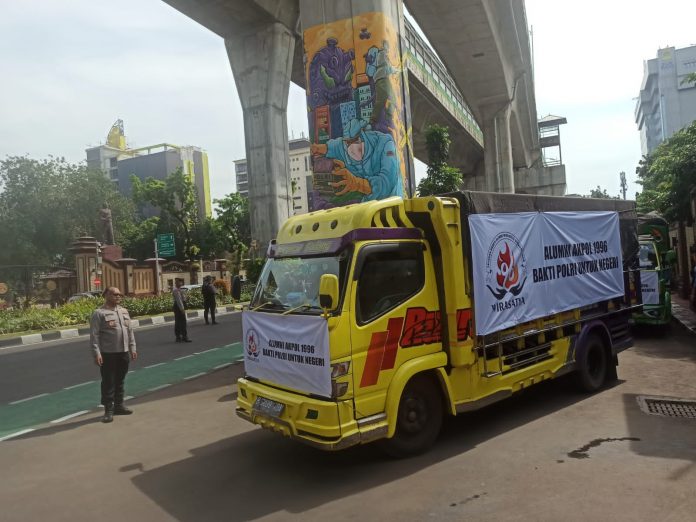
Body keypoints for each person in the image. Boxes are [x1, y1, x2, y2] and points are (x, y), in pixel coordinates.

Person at [311, 118, 403, 202]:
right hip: (368, 208)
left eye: (355, 140)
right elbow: (330, 147)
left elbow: (387, 182)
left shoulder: (385, 144)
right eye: (348, 142)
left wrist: (357, 184)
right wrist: (317, 148)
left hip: (391, 205)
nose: (352, 146)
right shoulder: (343, 147)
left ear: (363, 134)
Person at [89, 287, 137, 423]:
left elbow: (130, 332)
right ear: (107, 295)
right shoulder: (99, 313)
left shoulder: (124, 311)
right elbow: (94, 336)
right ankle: (108, 410)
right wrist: (96, 353)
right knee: (108, 382)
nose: (118, 296)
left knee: (120, 380)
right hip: (108, 354)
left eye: (119, 294)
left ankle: (119, 405)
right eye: (115, 294)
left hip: (123, 352)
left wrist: (132, 348)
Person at [172, 278, 191, 342]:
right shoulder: (176, 290)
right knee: (182, 322)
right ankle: (183, 336)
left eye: (180, 282)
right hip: (178, 307)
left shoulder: (180, 290)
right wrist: (182, 309)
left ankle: (179, 337)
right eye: (177, 282)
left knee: (179, 322)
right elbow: (179, 301)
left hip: (179, 307)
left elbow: (182, 299)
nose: (179, 283)